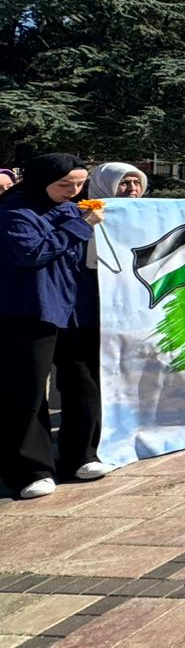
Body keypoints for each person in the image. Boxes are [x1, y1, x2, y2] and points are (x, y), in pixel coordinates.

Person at [0, 154, 112, 499]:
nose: (73, 191)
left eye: (80, 184)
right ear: (40, 180)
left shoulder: (71, 209)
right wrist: (81, 226)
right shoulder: (14, 210)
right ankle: (29, 469)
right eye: (65, 184)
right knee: (28, 389)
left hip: (77, 310)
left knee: (83, 382)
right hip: (31, 310)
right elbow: (32, 253)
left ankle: (81, 455)